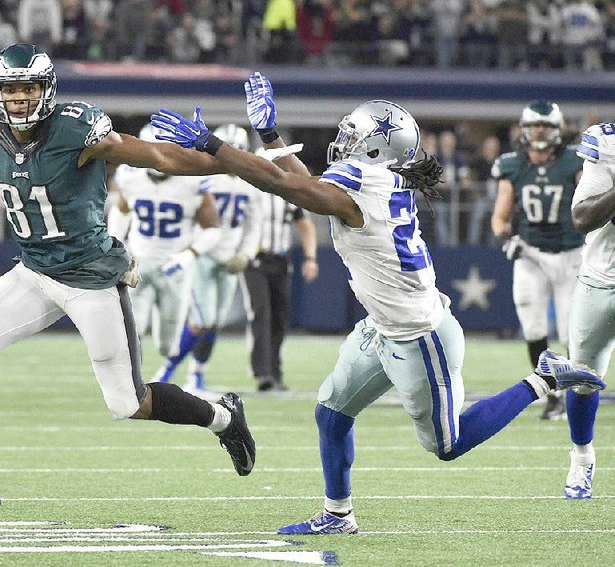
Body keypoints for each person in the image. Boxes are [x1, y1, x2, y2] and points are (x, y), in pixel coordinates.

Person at [150, 71, 606, 534]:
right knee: (331, 412)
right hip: (384, 325)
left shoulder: (363, 183)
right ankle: (338, 514)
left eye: (352, 133)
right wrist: (268, 133)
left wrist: (214, 145)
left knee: (448, 444)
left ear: (374, 146)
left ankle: (542, 378)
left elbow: (287, 186)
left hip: (419, 334)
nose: (342, 139)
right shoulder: (373, 176)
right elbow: (305, 187)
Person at [0, 44, 255, 515]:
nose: (19, 98)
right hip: (36, 270)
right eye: (10, 89)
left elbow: (159, 157)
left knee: (129, 403)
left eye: (28, 88)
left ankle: (223, 416)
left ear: (46, 89)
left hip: (90, 276)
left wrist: (227, 161)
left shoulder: (77, 129)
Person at [152, 124, 263, 399]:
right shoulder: (205, 179)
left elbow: (254, 226)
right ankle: (165, 372)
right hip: (203, 257)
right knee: (202, 320)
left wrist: (246, 255)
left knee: (214, 323)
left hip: (229, 261)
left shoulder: (252, 184)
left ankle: (196, 377)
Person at [490, 101, 584, 421]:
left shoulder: (575, 162)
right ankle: (552, 394)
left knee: (572, 332)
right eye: (535, 127)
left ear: (558, 130)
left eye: (546, 127)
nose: (540, 132)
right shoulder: (512, 165)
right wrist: (507, 238)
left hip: (572, 254)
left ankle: (575, 395)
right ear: (524, 129)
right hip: (531, 255)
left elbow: (590, 204)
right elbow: (500, 217)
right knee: (533, 327)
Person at [107, 123, 221, 373]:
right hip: (139, 263)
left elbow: (213, 229)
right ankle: (130, 382)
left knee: (167, 343)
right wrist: (118, 247)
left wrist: (189, 256)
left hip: (175, 267)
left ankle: (166, 366)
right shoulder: (131, 176)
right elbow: (120, 212)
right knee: (132, 327)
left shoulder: (193, 181)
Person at [563, 121, 615, 498]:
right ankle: (582, 460)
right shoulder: (607, 142)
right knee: (582, 377)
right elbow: (582, 218)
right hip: (602, 277)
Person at [243, 190, 318, 392]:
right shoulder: (249, 191)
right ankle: (263, 373)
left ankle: (275, 373)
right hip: (253, 260)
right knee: (261, 313)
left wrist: (310, 258)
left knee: (279, 317)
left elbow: (305, 225)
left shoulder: (287, 193)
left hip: (281, 261)